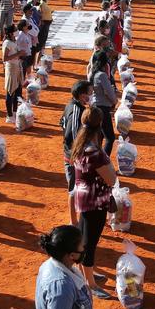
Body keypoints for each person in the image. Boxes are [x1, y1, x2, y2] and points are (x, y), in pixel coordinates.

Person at [70, 107, 117, 298]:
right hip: (95, 201)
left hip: (83, 198)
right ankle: (89, 284)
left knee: (84, 238)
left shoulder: (80, 144)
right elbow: (112, 179)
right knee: (90, 242)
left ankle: (87, 273)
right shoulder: (95, 152)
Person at [61, 81, 93, 226]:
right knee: (73, 189)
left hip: (74, 155)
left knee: (77, 187)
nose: (91, 95)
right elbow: (73, 135)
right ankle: (73, 222)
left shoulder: (71, 105)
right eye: (89, 93)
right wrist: (76, 157)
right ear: (81, 95)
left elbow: (61, 122)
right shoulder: (76, 111)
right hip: (74, 157)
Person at [90, 50, 117, 157]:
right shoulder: (102, 75)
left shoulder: (93, 74)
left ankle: (96, 161)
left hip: (95, 106)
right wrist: (115, 102)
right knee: (110, 138)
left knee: (99, 136)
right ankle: (103, 164)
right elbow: (108, 93)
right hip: (103, 109)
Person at [2, 24, 24, 124]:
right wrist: (18, 54)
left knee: (17, 91)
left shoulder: (13, 41)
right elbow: (4, 58)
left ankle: (14, 112)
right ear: (11, 33)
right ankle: (9, 115)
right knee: (10, 92)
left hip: (17, 67)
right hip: (11, 69)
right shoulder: (7, 43)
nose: (16, 31)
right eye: (15, 30)